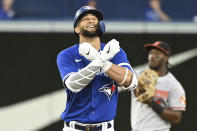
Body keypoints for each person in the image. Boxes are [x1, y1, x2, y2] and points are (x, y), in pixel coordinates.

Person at [57, 6, 138, 131]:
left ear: (101, 26)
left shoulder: (114, 51)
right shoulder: (67, 55)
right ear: (76, 28)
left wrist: (102, 61)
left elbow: (130, 81)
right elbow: (73, 85)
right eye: (85, 19)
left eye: (94, 19)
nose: (91, 21)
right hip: (74, 127)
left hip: (106, 127)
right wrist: (101, 59)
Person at [131, 41, 186, 131]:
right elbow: (123, 81)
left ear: (166, 58)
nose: (152, 56)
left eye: (157, 53)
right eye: (151, 53)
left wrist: (151, 102)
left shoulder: (174, 85)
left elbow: (176, 117)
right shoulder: (138, 76)